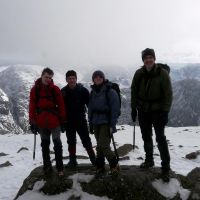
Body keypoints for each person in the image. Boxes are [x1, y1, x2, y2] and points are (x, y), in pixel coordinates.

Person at [131, 48, 173, 182]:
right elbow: (134, 90)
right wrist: (133, 108)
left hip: (158, 111)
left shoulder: (163, 74)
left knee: (160, 137)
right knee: (146, 136)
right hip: (143, 110)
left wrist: (165, 112)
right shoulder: (139, 73)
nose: (148, 60)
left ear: (154, 59)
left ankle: (165, 167)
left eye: (150, 57)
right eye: (146, 58)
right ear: (143, 60)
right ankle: (149, 160)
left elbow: (168, 94)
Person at [29, 67, 66, 176]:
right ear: (42, 76)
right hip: (41, 122)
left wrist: (63, 121)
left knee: (57, 144)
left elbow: (61, 106)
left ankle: (60, 168)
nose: (48, 79)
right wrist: (32, 122)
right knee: (45, 145)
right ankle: (47, 167)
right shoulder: (35, 90)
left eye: (50, 78)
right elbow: (32, 106)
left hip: (54, 122)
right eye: (46, 77)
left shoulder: (55, 89)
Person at [88, 70, 120, 175]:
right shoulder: (93, 92)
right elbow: (91, 108)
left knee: (104, 145)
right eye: (95, 77)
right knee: (99, 145)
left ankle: (114, 164)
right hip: (96, 122)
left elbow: (115, 110)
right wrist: (90, 123)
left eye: (100, 77)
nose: (98, 79)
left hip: (106, 122)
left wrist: (112, 125)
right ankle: (100, 166)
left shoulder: (110, 91)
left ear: (103, 78)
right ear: (93, 79)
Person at [61, 70, 96, 167]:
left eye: (73, 78)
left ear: (76, 79)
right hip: (68, 122)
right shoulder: (63, 92)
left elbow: (90, 106)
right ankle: (73, 160)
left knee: (86, 140)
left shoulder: (83, 90)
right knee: (71, 141)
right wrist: (62, 122)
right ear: (66, 80)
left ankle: (93, 159)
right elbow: (60, 108)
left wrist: (92, 119)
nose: (71, 80)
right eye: (69, 78)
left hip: (81, 120)